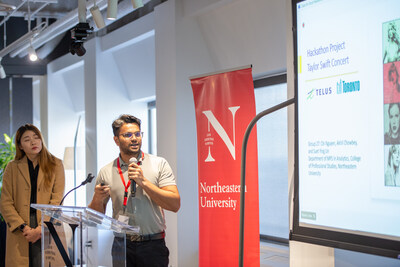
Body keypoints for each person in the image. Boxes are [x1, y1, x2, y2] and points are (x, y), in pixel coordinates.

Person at [88, 114, 180, 267]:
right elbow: (95, 218)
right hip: (121, 245)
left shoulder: (159, 164)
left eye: (138, 134)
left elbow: (175, 204)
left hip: (152, 245)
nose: (134, 138)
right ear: (116, 140)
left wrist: (143, 182)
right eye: (128, 135)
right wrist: (97, 198)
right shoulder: (106, 171)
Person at [0, 124, 65, 267]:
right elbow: (5, 202)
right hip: (21, 229)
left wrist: (41, 228)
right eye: (27, 139)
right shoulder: (12, 167)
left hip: (47, 225)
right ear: (20, 146)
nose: (33, 142)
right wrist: (24, 227)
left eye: (36, 138)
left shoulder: (56, 164)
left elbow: (57, 200)